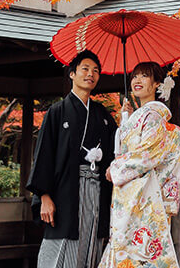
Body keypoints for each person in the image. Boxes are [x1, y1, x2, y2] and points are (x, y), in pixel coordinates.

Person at [28, 49, 117, 268]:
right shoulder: (57, 112)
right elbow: (44, 155)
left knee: (92, 243)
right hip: (65, 192)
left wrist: (125, 121)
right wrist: (44, 196)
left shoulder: (103, 115)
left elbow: (119, 146)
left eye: (96, 70)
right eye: (85, 69)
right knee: (61, 245)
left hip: (96, 190)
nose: (91, 74)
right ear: (72, 74)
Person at [99, 62, 180, 268]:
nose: (137, 80)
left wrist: (115, 168)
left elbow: (147, 154)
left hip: (143, 195)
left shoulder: (153, 115)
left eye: (144, 76)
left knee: (135, 251)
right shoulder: (140, 115)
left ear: (156, 84)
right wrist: (126, 120)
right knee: (128, 249)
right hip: (130, 194)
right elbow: (128, 149)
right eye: (135, 76)